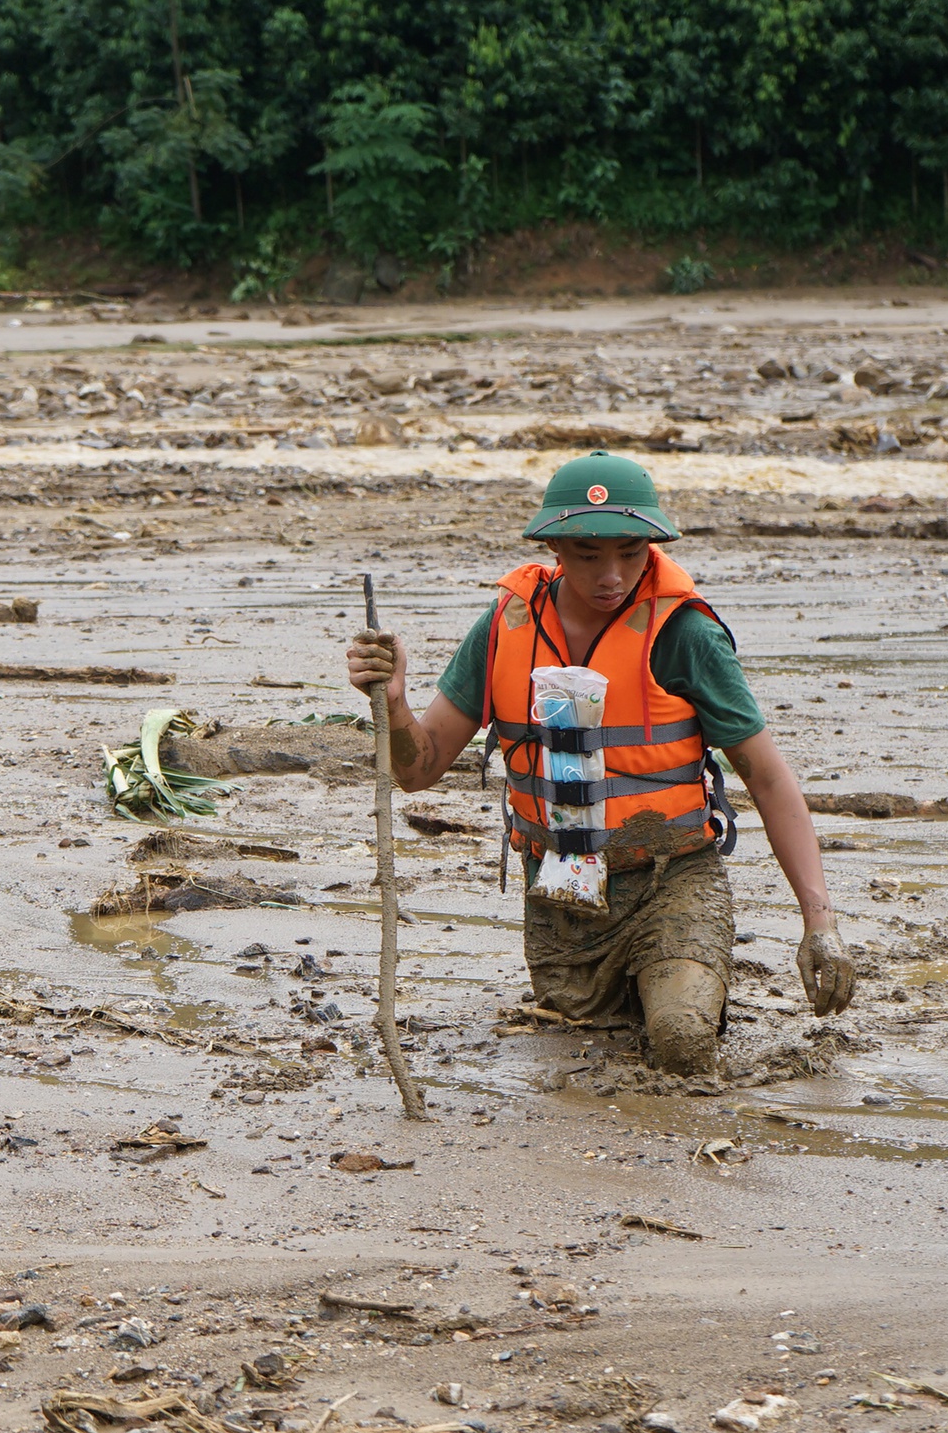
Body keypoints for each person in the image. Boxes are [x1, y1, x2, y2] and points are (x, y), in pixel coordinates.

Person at [343, 452, 854, 1083]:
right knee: (579, 1046)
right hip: (562, 898)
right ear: (554, 546)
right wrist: (392, 702)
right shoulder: (505, 627)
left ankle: (688, 975)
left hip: (672, 882)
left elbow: (770, 779)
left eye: (630, 551)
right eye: (588, 554)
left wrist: (819, 924)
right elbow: (418, 770)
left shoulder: (685, 634)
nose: (611, 574)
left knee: (682, 1043)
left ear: (651, 545)